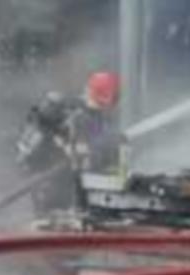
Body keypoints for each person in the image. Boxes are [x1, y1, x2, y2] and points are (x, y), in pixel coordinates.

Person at [14, 71, 125, 214]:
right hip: (50, 180)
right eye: (101, 98)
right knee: (52, 217)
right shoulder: (65, 111)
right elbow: (37, 143)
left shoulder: (96, 121)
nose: (105, 107)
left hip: (74, 185)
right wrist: (65, 147)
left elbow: (94, 148)